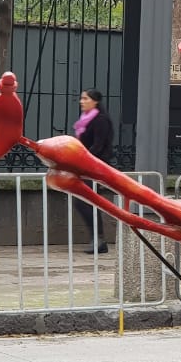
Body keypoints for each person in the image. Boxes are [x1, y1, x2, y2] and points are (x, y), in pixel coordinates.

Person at [71, 89, 114, 254]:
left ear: (95, 101)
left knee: (86, 202)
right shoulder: (86, 120)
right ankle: (98, 240)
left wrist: (84, 159)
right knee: (84, 202)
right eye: (81, 98)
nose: (81, 101)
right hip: (86, 167)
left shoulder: (100, 120)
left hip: (96, 168)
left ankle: (99, 240)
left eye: (85, 98)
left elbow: (99, 145)